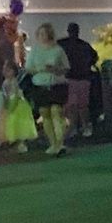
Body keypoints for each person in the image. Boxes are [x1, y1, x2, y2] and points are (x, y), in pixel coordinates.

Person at [24, 24, 71, 156]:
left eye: (44, 34)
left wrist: (55, 70)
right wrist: (39, 69)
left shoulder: (58, 50)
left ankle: (60, 143)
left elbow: (66, 68)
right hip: (39, 85)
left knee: (56, 111)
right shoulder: (34, 51)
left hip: (56, 84)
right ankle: (53, 143)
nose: (42, 36)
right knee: (45, 113)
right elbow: (28, 68)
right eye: (39, 34)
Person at [60, 23, 98, 139]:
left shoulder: (63, 44)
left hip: (71, 77)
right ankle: (84, 127)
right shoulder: (84, 45)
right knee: (81, 105)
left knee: (73, 105)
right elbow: (94, 57)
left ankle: (74, 127)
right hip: (83, 76)